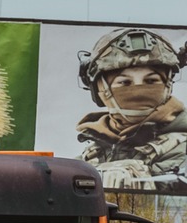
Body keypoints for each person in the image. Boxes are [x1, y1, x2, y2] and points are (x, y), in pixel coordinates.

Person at [76, 27, 187, 191]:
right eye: (124, 83)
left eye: (151, 81)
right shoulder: (85, 161)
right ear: (100, 90)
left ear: (168, 85)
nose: (139, 91)